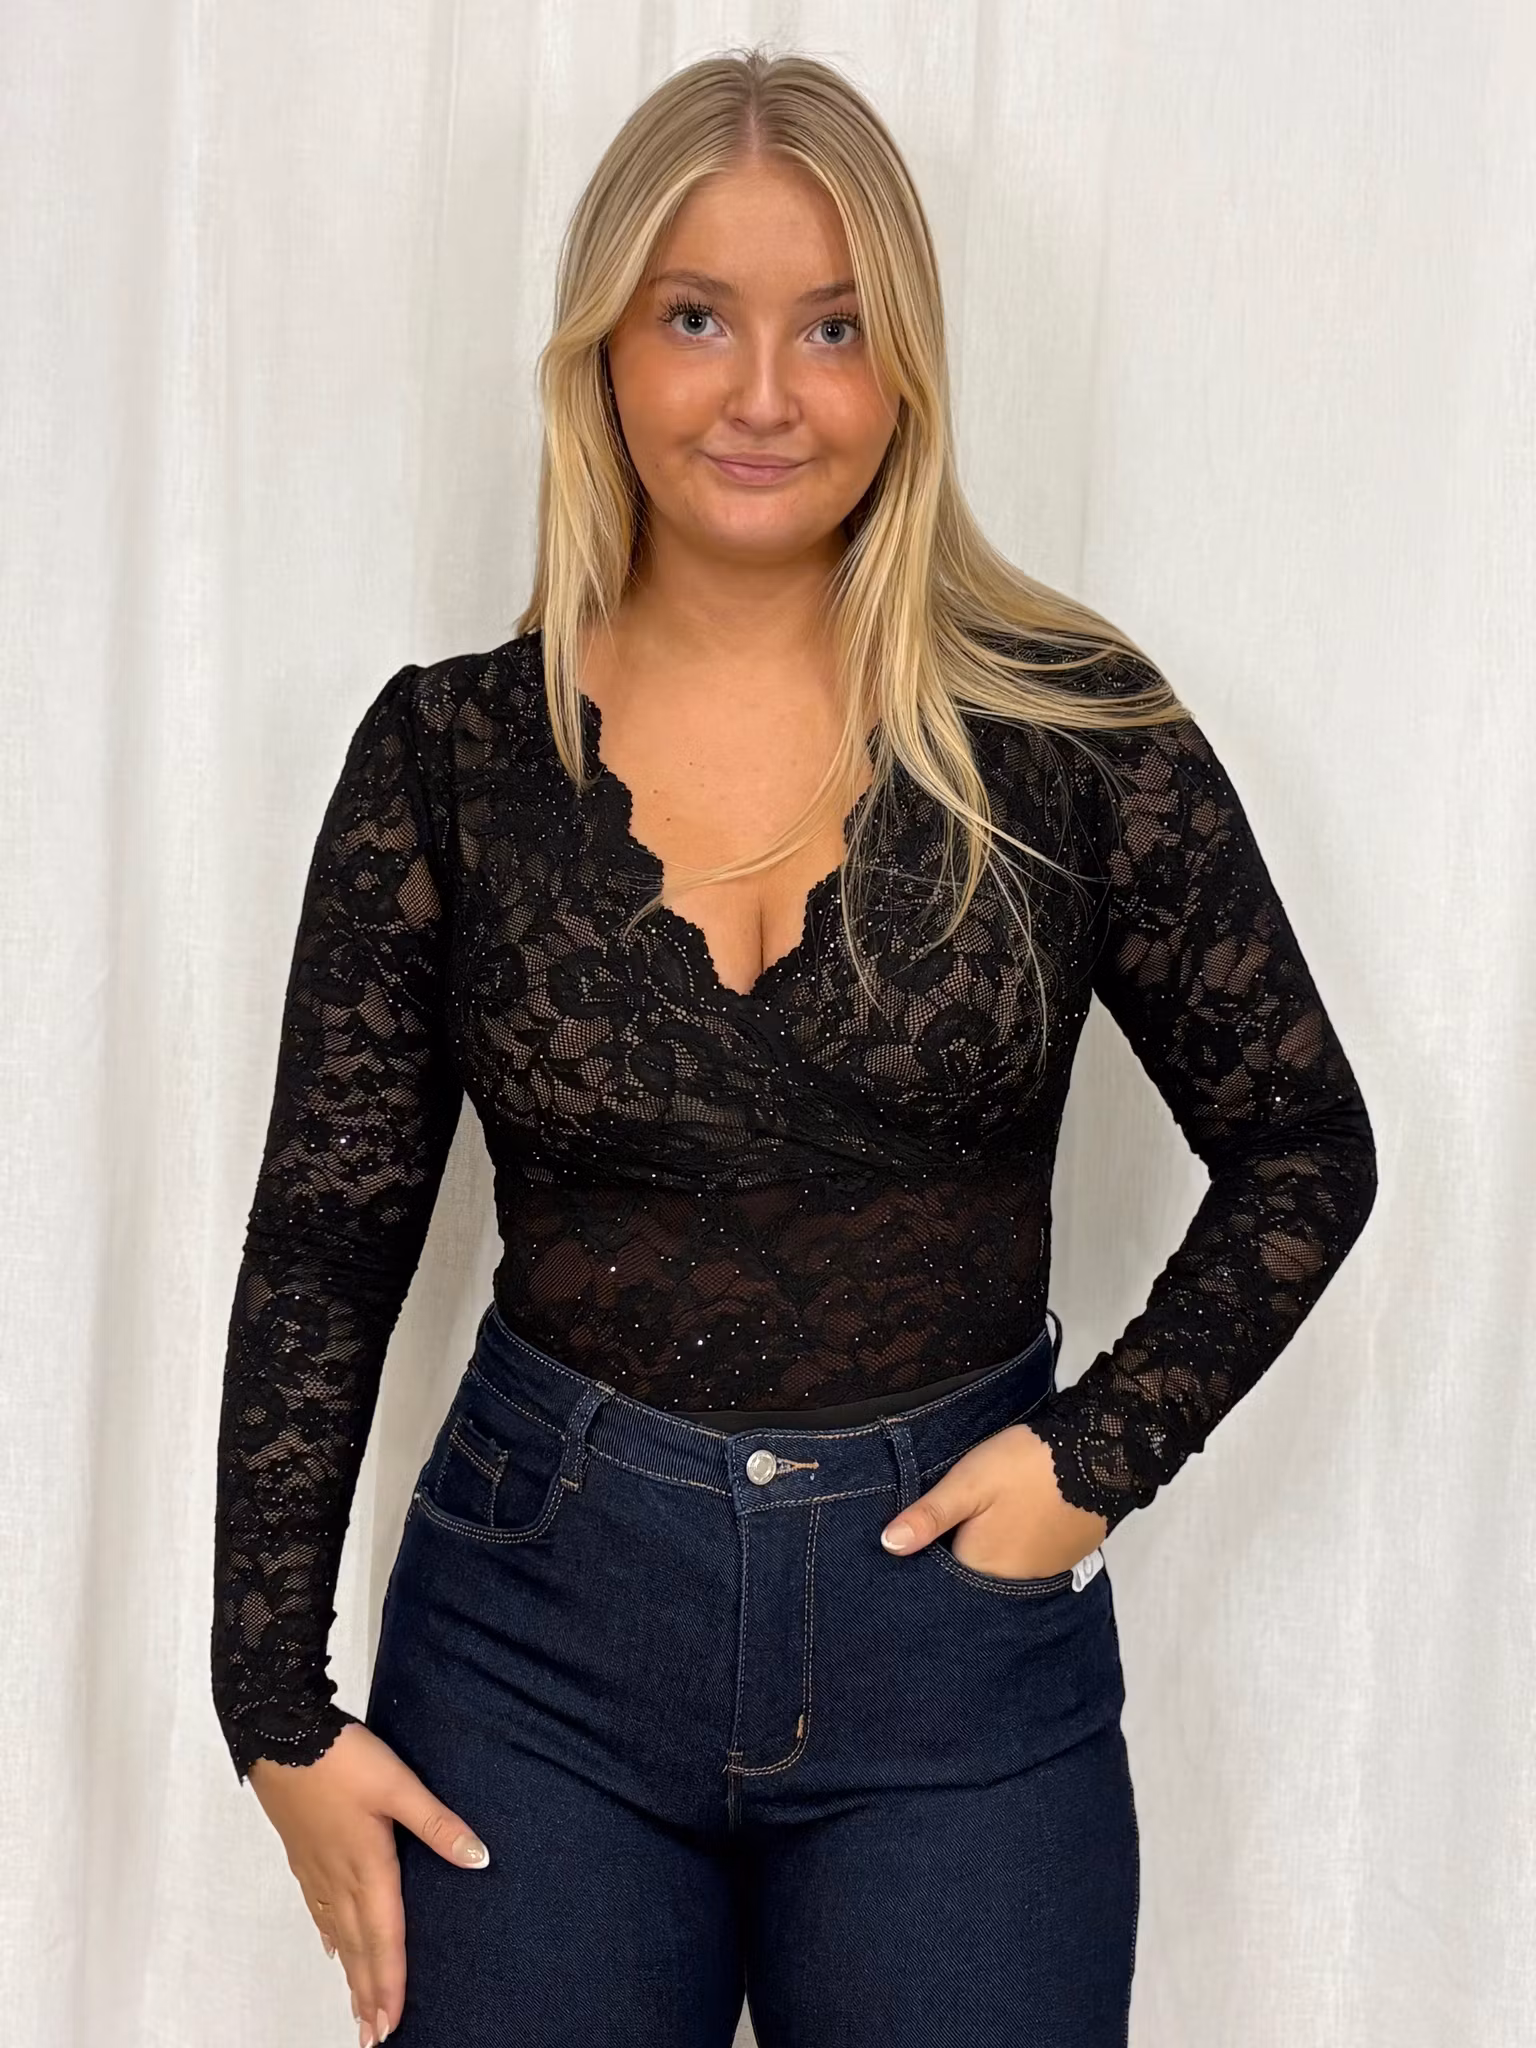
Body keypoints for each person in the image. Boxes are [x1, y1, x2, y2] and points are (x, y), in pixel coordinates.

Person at [211, 46, 1377, 2048]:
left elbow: (1303, 1144)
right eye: (698, 318)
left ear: (906, 368)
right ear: (601, 353)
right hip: (535, 1649)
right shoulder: (449, 759)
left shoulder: (1072, 738)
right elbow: (328, 1248)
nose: (765, 393)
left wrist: (1097, 1460)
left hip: (961, 1662)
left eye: (832, 327)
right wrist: (271, 1710)